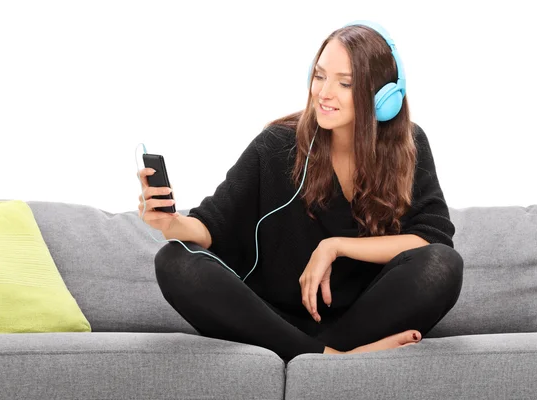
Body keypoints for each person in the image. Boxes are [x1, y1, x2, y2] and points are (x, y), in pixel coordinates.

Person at [137, 21, 464, 362]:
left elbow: (432, 240)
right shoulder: (276, 145)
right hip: (271, 322)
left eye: (345, 83)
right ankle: (331, 358)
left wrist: (335, 246)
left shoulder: (408, 146)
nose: (324, 93)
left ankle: (318, 353)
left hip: (363, 319)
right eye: (320, 76)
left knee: (442, 265)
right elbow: (212, 225)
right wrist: (170, 224)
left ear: (383, 97)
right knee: (174, 260)